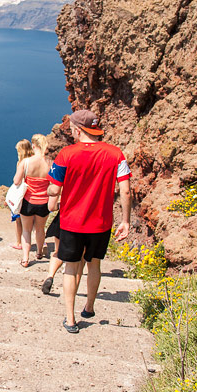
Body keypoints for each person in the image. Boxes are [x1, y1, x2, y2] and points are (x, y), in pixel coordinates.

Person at [48, 110, 131, 334]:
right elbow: (125, 190)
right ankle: (89, 307)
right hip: (101, 222)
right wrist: (125, 220)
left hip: (71, 222)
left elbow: (54, 188)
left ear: (78, 129)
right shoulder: (116, 154)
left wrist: (50, 194)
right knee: (94, 263)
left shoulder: (66, 154)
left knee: (71, 268)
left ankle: (71, 318)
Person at [14, 135, 52, 267]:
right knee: (40, 229)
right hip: (44, 203)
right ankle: (40, 252)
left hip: (28, 202)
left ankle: (25, 258)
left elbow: (16, 181)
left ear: (33, 145)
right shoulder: (50, 163)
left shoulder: (26, 162)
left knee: (26, 230)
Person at [10, 139, 33, 252]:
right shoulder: (35, 160)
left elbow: (17, 181)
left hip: (22, 195)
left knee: (18, 220)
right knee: (36, 224)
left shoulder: (21, 163)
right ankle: (41, 243)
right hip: (34, 195)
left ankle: (19, 242)